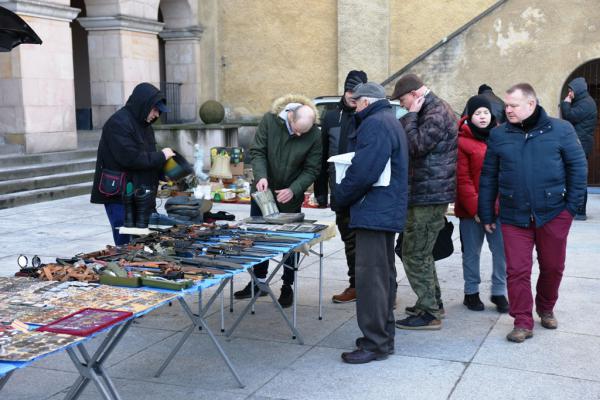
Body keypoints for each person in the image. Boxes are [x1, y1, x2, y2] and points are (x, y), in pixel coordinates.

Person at [478, 83, 587, 343]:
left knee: (552, 267)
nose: (508, 110)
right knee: (517, 270)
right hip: (514, 214)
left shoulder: (561, 130)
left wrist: (569, 210)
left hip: (553, 213)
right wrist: (486, 212)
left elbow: (578, 169)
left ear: (531, 104)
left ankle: (546, 307)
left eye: (513, 105)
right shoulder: (499, 135)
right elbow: (489, 175)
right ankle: (522, 321)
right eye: (506, 105)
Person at [334, 82, 408, 364]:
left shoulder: (375, 123)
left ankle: (375, 343)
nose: (353, 106)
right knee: (382, 277)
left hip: (374, 211)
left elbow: (364, 171)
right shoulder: (387, 119)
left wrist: (341, 196)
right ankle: (381, 338)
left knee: (371, 280)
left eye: (355, 102)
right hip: (381, 211)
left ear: (365, 102)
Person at [234, 94, 322, 307]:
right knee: (259, 237)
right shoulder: (270, 121)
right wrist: (261, 176)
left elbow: (312, 168)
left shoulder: (314, 134)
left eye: (304, 132)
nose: (300, 134)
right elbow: (257, 151)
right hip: (263, 191)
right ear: (290, 116)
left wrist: (294, 189)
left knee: (289, 243)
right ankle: (259, 282)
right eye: (297, 129)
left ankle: (287, 286)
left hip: (290, 196)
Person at [390, 73, 457, 330]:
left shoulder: (434, 113)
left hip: (427, 195)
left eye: (404, 100)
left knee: (414, 253)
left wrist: (411, 117)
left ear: (416, 95)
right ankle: (433, 303)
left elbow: (414, 145)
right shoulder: (433, 109)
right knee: (422, 252)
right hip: (426, 193)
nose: (402, 106)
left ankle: (429, 313)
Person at [91, 82, 175, 245]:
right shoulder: (118, 123)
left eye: (159, 111)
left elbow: (148, 157)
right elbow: (131, 158)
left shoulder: (145, 125)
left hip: (141, 194)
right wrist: (161, 156)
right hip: (119, 196)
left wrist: (164, 173)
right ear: (144, 104)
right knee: (126, 244)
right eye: (155, 109)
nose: (157, 115)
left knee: (144, 242)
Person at [314, 70, 368, 304]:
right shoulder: (330, 118)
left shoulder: (369, 115)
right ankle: (356, 285)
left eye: (357, 91)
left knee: (371, 242)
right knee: (349, 240)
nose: (353, 96)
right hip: (339, 190)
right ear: (344, 91)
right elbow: (321, 155)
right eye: (349, 91)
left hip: (364, 190)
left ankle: (386, 287)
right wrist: (320, 191)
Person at [456, 95, 508, 313]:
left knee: (502, 252)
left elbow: (505, 174)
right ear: (470, 116)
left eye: (486, 112)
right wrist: (479, 210)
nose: (483, 116)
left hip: (497, 209)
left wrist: (493, 208)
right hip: (471, 212)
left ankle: (499, 292)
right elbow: (463, 180)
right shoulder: (461, 141)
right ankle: (471, 292)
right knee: (471, 253)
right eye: (478, 113)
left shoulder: (500, 137)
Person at [560, 77, 598, 220]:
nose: (569, 94)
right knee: (574, 176)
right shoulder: (583, 102)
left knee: (578, 178)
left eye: (571, 91)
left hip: (581, 145)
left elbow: (570, 116)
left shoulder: (586, 104)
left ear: (578, 90)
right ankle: (576, 209)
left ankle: (580, 211)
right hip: (579, 143)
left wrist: (566, 103)